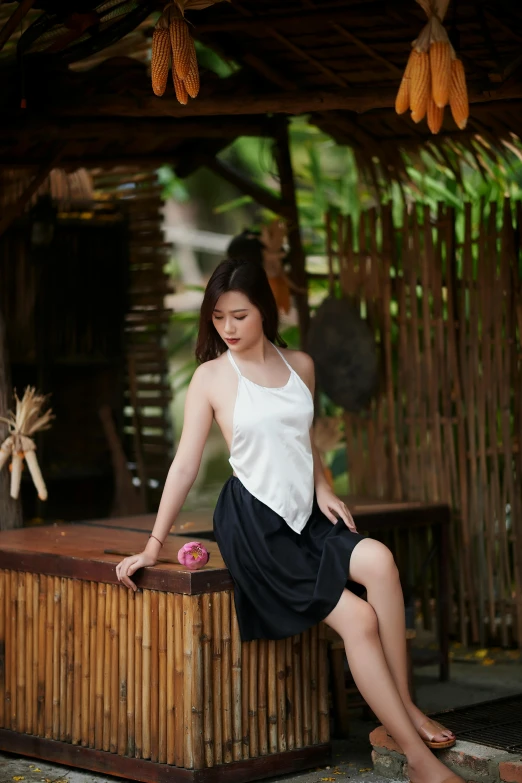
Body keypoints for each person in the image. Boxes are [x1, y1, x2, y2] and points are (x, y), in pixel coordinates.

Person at [116, 258, 461, 783]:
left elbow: (303, 438)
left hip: (306, 514)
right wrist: (152, 543)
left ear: (265, 312)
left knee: (381, 562)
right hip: (255, 524)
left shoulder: (300, 363)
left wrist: (323, 485)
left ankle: (405, 710)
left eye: (239, 316)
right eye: (217, 319)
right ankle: (419, 763)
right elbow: (184, 464)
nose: (227, 329)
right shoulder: (212, 377)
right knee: (358, 619)